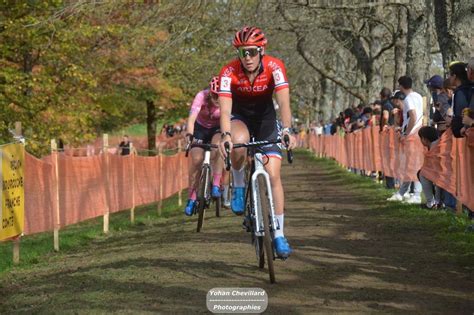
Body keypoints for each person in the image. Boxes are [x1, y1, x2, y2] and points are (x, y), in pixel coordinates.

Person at [217, 26, 296, 258]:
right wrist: (226, 136)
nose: (248, 58)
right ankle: (239, 186)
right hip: (239, 117)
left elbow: (284, 103)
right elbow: (224, 111)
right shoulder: (228, 71)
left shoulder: (275, 67)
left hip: (265, 118)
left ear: (261, 50)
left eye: (252, 52)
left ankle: (279, 234)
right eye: (243, 53)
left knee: (273, 175)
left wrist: (288, 130)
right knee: (238, 142)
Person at [183, 76, 224, 216]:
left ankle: (216, 183)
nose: (217, 98)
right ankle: (191, 198)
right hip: (200, 128)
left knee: (217, 146)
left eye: (220, 95)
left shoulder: (227, 100)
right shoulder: (201, 96)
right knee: (196, 160)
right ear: (210, 92)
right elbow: (191, 119)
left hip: (218, 128)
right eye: (214, 95)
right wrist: (189, 135)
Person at [387, 76, 423, 204]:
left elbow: (413, 116)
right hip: (417, 132)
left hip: (412, 135)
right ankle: (403, 192)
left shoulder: (408, 99)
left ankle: (416, 194)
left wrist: (406, 133)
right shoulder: (418, 96)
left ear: (401, 86)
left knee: (413, 165)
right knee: (410, 164)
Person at [417, 126, 441, 209]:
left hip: (441, 176)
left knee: (422, 174)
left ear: (424, 139)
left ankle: (431, 202)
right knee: (422, 173)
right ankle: (436, 202)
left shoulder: (434, 147)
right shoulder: (436, 144)